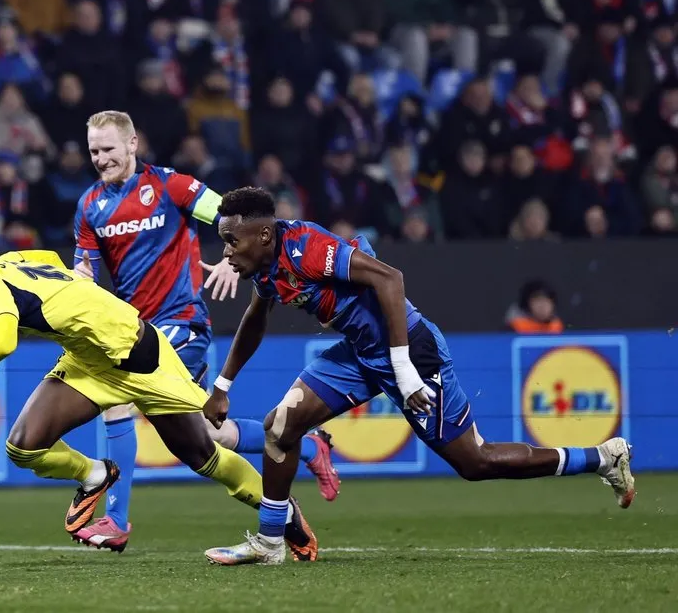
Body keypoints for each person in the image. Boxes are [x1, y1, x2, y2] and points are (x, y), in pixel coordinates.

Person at [201, 188, 636, 565]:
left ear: (262, 234)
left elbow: (391, 279)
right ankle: (271, 541)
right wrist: (222, 386)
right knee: (281, 426)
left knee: (475, 462)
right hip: (359, 354)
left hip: (410, 349)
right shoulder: (266, 267)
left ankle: (602, 458)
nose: (225, 251)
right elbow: (256, 319)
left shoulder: (305, 248)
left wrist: (405, 368)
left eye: (229, 240)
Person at [0, 250, 316, 556]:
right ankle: (96, 474)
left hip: (139, 355)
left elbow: (3, 340)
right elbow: (46, 258)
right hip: (88, 359)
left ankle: (280, 511)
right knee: (23, 445)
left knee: (202, 451)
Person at [70, 111, 338, 555]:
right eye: (94, 151)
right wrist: (77, 283)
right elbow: (85, 265)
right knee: (209, 436)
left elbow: (232, 218)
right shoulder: (90, 205)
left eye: (109, 149)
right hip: (132, 330)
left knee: (116, 401)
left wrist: (233, 261)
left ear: (132, 143)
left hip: (181, 322)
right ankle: (306, 447)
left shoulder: (171, 186)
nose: (101, 159)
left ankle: (116, 521)